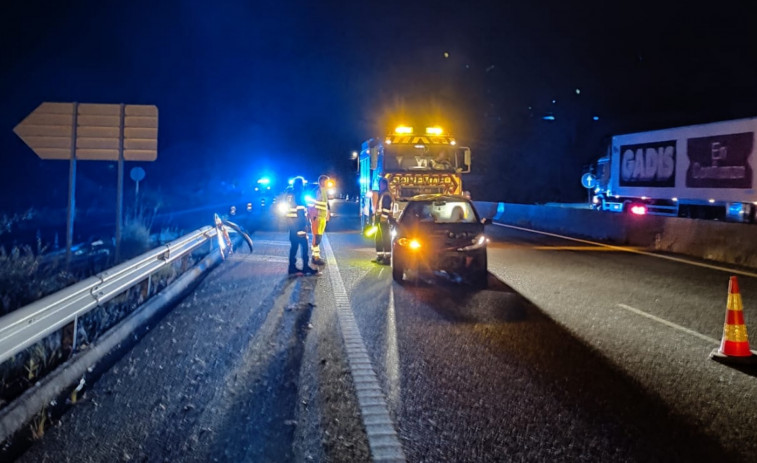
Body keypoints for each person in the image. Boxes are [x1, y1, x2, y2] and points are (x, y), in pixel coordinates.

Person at [286, 177, 318, 276]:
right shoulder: (299, 194)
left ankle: (292, 267)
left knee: (294, 247)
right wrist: (305, 224)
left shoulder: (290, 194)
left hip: (292, 225)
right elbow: (301, 212)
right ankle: (305, 268)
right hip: (298, 225)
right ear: (300, 185)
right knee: (304, 246)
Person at [308, 175, 331, 266]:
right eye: (326, 182)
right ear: (321, 182)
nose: (328, 184)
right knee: (316, 237)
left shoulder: (324, 191)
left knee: (318, 237)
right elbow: (312, 204)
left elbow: (325, 204)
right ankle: (315, 257)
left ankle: (316, 256)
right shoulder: (317, 191)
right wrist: (313, 215)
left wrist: (327, 214)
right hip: (317, 217)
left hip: (321, 217)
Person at [373, 177, 394, 264]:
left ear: (385, 185)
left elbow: (386, 208)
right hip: (380, 218)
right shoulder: (382, 193)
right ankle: (380, 256)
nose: (379, 186)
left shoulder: (386, 195)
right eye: (379, 184)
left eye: (381, 184)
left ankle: (387, 258)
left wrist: (383, 218)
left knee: (385, 238)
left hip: (384, 219)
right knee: (379, 237)